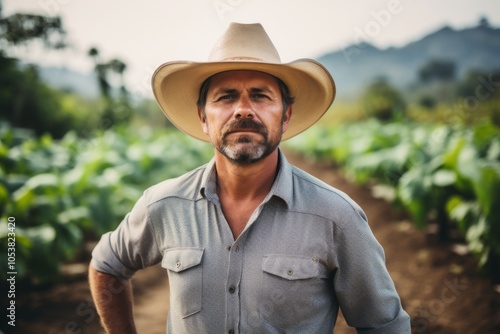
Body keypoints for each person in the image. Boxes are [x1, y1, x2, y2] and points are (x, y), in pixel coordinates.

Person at [89, 22, 410, 333]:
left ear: (285, 116)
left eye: (260, 95)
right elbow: (107, 266)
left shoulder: (336, 217)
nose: (243, 110)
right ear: (203, 116)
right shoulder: (164, 204)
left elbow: (384, 325)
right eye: (226, 97)